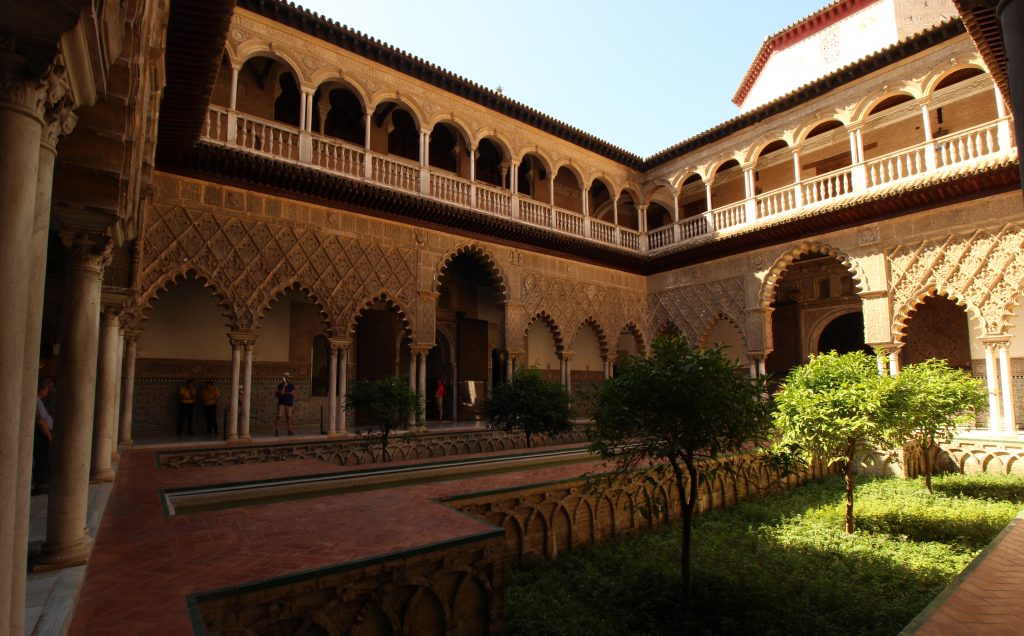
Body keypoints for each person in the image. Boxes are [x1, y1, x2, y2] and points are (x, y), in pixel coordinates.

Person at [33, 378, 54, 494]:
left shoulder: (39, 401)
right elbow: (41, 422)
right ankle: (41, 485)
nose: (47, 391)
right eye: (46, 389)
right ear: (42, 389)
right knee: (41, 459)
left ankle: (41, 483)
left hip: (43, 434)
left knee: (43, 459)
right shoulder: (37, 401)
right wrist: (50, 437)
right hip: (42, 435)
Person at [273, 372, 296, 436]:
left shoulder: (291, 385)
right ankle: (277, 430)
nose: (289, 378)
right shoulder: (280, 385)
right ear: (284, 378)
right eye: (287, 377)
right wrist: (284, 386)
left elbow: (293, 393)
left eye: (289, 377)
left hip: (289, 403)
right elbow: (282, 393)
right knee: (279, 417)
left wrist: (286, 392)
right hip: (282, 403)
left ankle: (289, 431)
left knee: (289, 417)